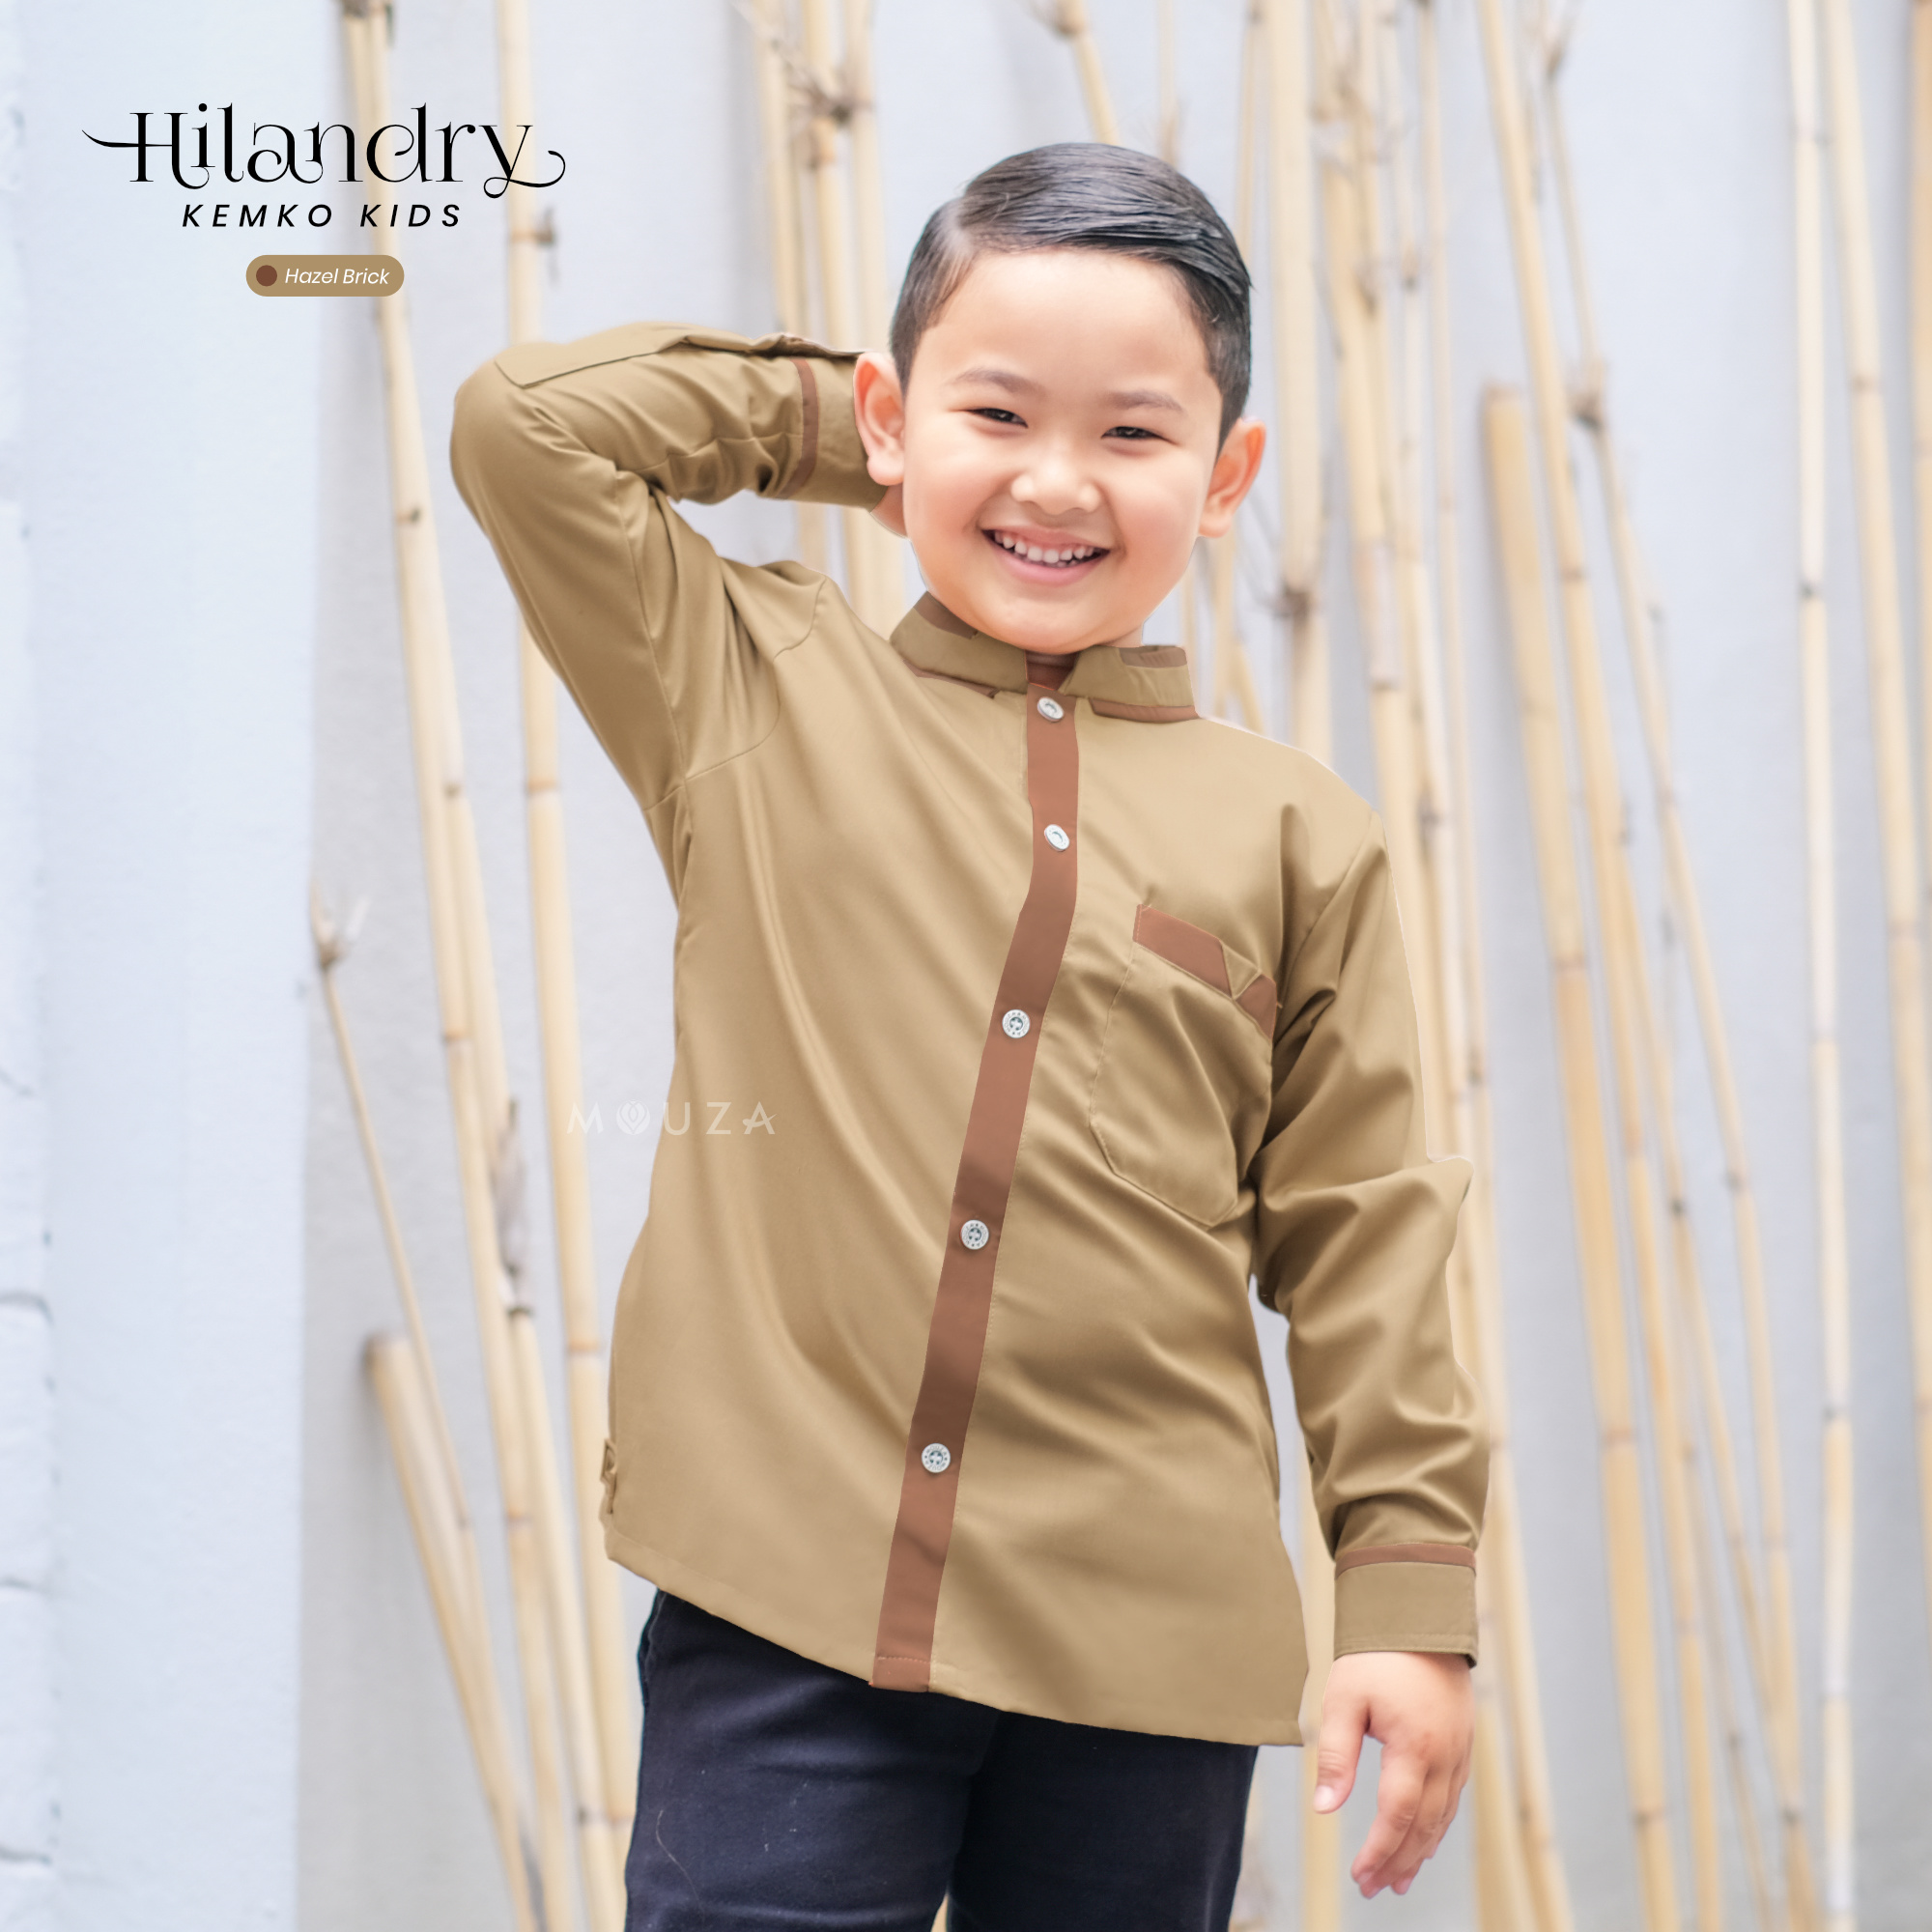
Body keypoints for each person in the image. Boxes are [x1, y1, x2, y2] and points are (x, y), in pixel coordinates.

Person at [450, 140, 1488, 1932]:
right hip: (785, 1611)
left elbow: (1364, 1227)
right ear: (890, 415)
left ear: (1226, 478)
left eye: (1134, 434)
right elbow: (523, 426)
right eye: (998, 413)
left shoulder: (1299, 835)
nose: (1056, 482)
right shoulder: (749, 689)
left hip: (1148, 1652)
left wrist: (1408, 1600)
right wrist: (878, 434)